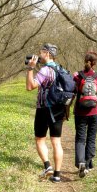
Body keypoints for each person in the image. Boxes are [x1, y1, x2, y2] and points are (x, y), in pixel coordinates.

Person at [26, 43, 65, 183]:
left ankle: (47, 166)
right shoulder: (61, 69)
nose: (39, 55)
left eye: (41, 52)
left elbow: (30, 86)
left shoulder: (45, 70)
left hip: (44, 108)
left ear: (47, 53)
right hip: (58, 109)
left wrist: (30, 68)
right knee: (56, 141)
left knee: (40, 139)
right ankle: (57, 175)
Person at [73, 51, 97, 178]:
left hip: (80, 112)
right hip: (95, 113)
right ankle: (87, 165)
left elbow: (72, 91)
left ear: (85, 61)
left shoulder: (77, 75)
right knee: (91, 138)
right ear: (95, 63)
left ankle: (81, 162)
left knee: (80, 139)